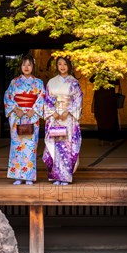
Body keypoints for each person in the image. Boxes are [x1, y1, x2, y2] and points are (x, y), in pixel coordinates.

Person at [4, 54, 45, 185]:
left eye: (29, 65)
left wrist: (33, 111)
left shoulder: (38, 83)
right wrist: (16, 110)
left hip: (32, 116)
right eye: (24, 64)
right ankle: (17, 176)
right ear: (20, 66)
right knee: (17, 146)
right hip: (17, 116)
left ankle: (28, 176)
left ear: (33, 67)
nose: (26, 67)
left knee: (31, 146)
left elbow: (42, 98)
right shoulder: (14, 82)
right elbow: (7, 97)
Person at [43, 57, 83, 185]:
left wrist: (68, 111)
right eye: (59, 64)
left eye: (65, 64)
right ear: (57, 66)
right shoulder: (51, 82)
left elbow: (78, 99)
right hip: (55, 118)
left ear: (69, 66)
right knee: (56, 146)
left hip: (69, 118)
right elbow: (47, 100)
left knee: (67, 146)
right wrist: (53, 112)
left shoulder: (74, 82)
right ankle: (56, 175)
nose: (62, 66)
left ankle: (65, 177)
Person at [89, 73, 120, 144]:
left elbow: (91, 80)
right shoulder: (112, 72)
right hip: (109, 97)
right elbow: (117, 82)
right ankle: (111, 140)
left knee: (101, 118)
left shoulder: (98, 72)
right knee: (111, 118)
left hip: (100, 97)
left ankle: (102, 139)